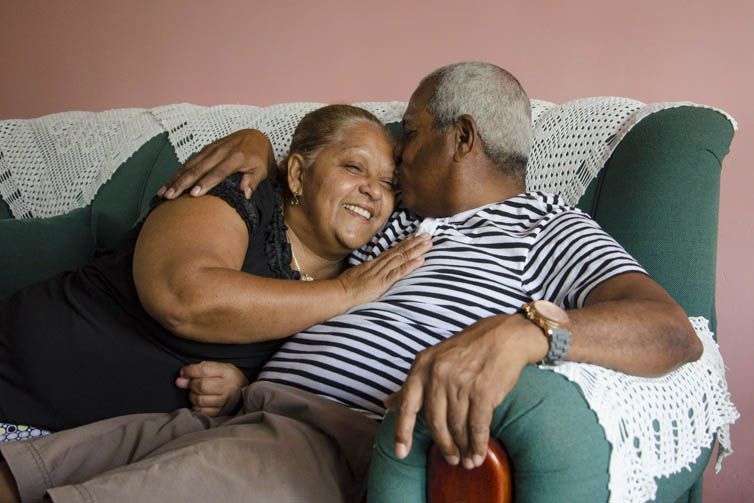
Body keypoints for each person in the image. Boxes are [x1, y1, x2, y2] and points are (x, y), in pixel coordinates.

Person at [0, 62, 702, 502]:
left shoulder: (544, 228)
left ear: (459, 138)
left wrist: (529, 332)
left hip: (321, 440)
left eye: (410, 137)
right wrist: (260, 143)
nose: (392, 164)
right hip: (229, 412)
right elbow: (304, 203)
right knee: (23, 472)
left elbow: (669, 330)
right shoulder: (393, 222)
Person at [0, 104, 428, 432]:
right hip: (17, 385)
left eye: (389, 184)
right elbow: (184, 298)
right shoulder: (238, 190)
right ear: (297, 174)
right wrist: (345, 293)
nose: (372, 190)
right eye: (353, 167)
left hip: (93, 451)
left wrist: (242, 389)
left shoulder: (366, 277)